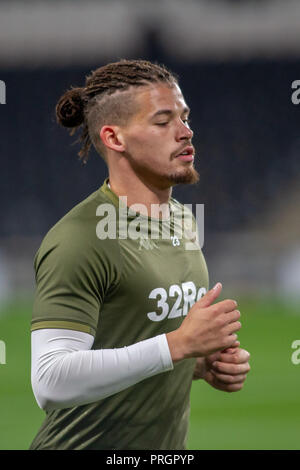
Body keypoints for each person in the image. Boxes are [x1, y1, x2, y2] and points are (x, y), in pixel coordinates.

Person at [30, 59, 250, 450]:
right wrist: (177, 346)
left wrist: (196, 365)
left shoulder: (182, 218)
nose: (186, 132)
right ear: (115, 138)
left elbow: (139, 340)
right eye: (163, 122)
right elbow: (50, 381)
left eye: (185, 117)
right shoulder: (79, 240)